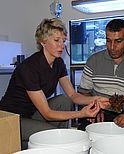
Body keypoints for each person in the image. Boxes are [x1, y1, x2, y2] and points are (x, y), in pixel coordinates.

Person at [0, 18, 110, 149]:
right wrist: (82, 114)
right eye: (57, 40)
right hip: (10, 118)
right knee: (55, 136)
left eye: (63, 41)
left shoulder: (58, 63)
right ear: (43, 42)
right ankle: (53, 144)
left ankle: (52, 145)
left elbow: (73, 95)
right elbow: (47, 113)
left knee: (64, 100)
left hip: (31, 114)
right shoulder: (28, 68)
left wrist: (96, 99)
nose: (62, 45)